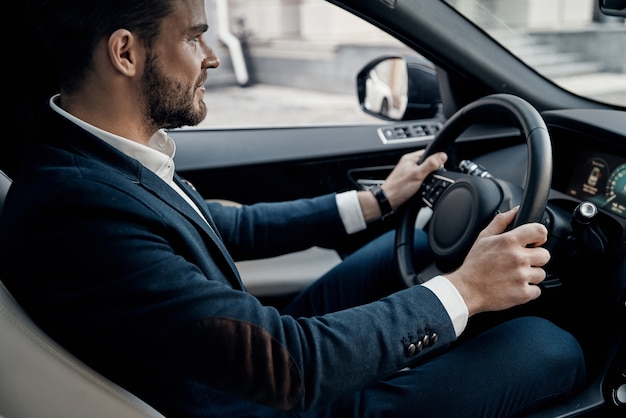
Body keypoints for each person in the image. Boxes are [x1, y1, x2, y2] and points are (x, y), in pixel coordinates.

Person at [0, 0, 586, 417]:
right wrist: (468, 291)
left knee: (394, 249)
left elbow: (226, 227)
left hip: (222, 370)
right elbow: (291, 366)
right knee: (546, 346)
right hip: (255, 399)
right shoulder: (76, 212)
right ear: (125, 53)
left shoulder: (99, 155)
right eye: (192, 37)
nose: (212, 57)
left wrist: (378, 200)